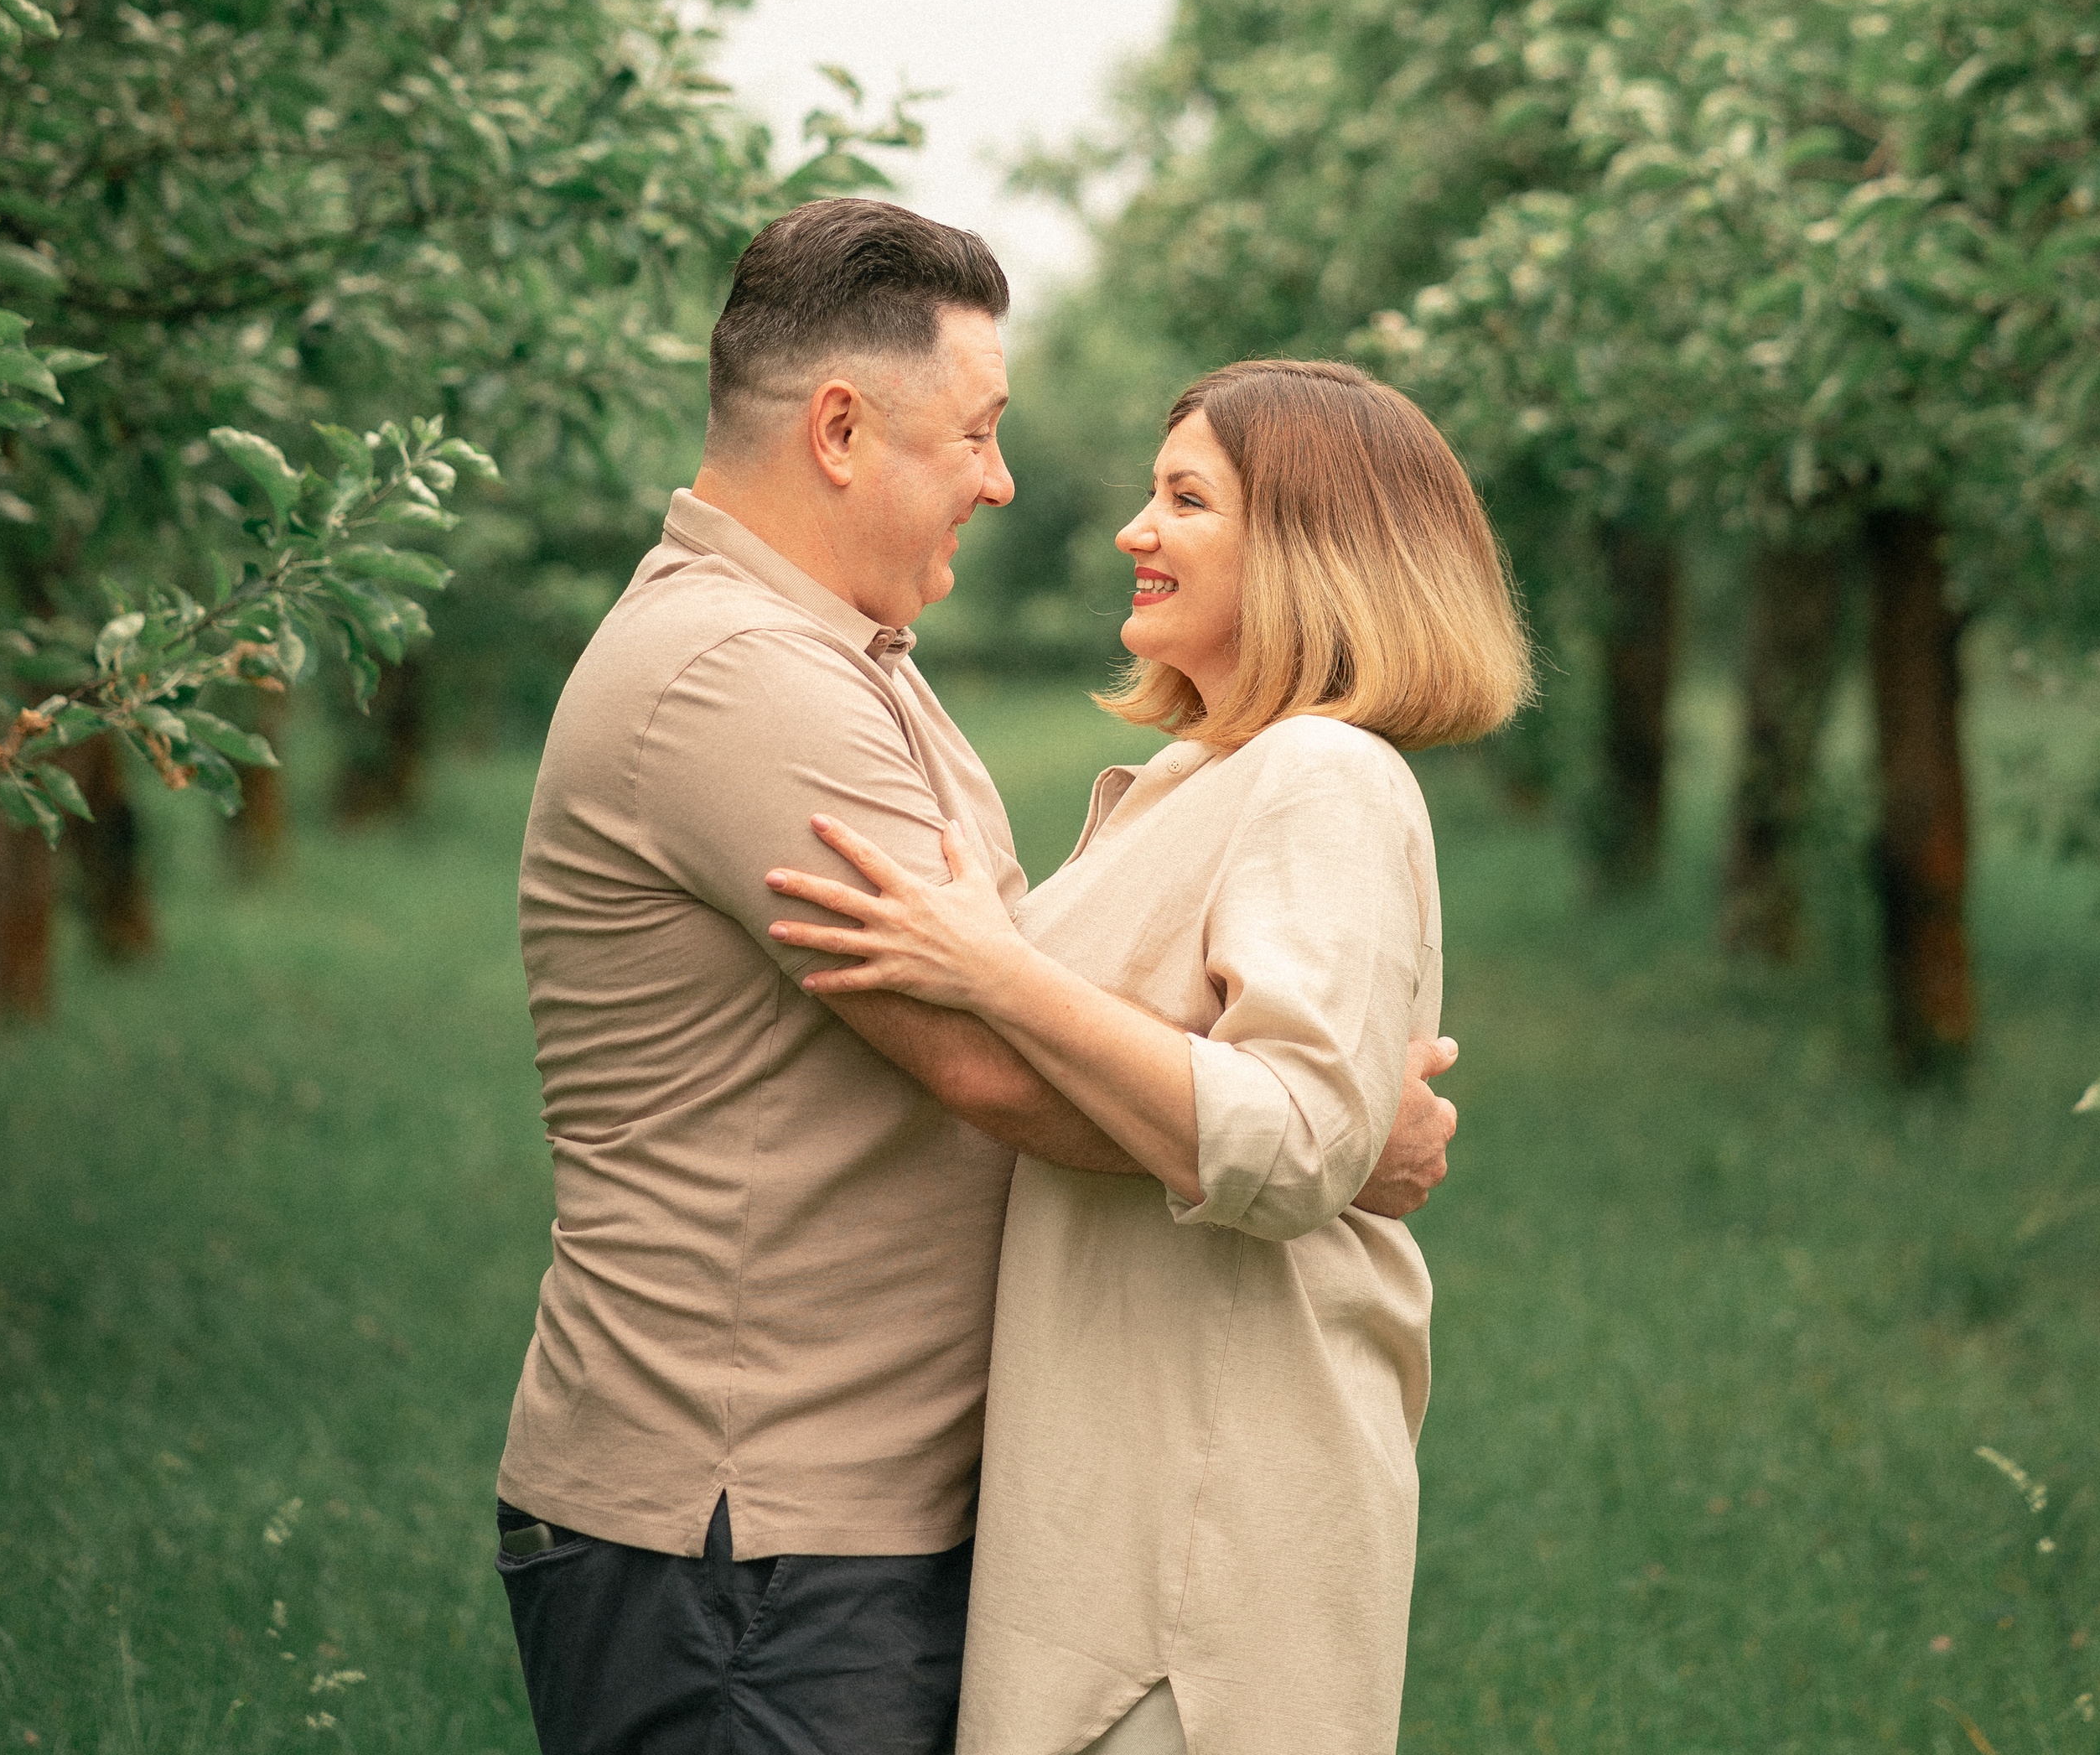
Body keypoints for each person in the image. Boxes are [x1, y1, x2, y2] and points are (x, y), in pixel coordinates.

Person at [495, 202, 1459, 1755]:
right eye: (980, 433)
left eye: (1184, 497)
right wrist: (1331, 1151)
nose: (1008, 481)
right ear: (839, 428)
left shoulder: (864, 662)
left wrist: (1315, 1115)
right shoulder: (743, 677)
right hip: (749, 1527)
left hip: (826, 1526)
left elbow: (1029, 989)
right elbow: (990, 1062)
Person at [765, 354, 1532, 1755]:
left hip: (1211, 1529)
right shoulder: (1203, 781)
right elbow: (1311, 1124)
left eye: (1187, 498)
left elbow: (1296, 1141)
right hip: (1115, 1497)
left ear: (1312, 553)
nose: (1135, 528)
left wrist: (993, 974)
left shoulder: (1328, 777)